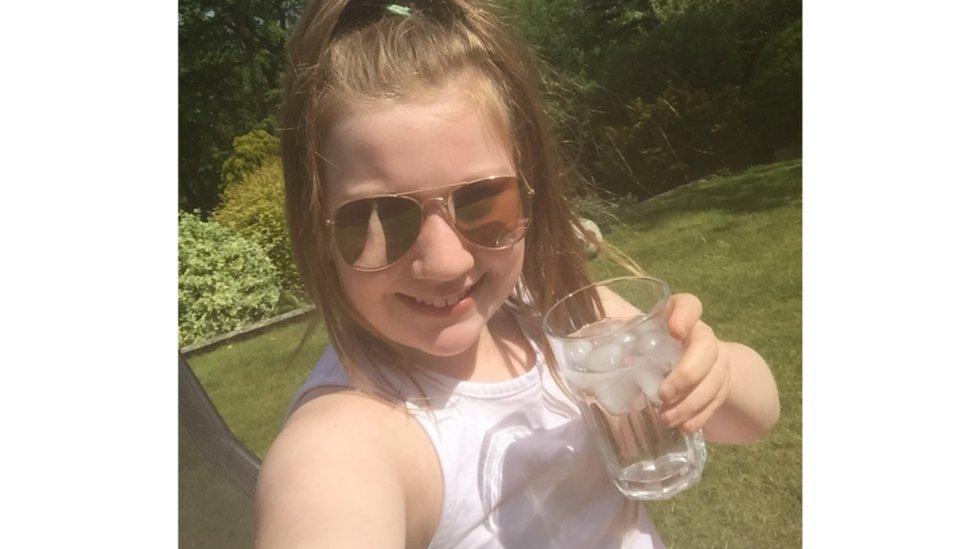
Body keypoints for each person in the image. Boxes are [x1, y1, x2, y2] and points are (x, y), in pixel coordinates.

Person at [255, 1, 780, 547]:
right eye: (379, 218)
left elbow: (758, 417)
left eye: (483, 201)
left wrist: (709, 371)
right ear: (317, 230)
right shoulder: (347, 440)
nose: (446, 262)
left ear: (531, 189)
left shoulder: (555, 318)